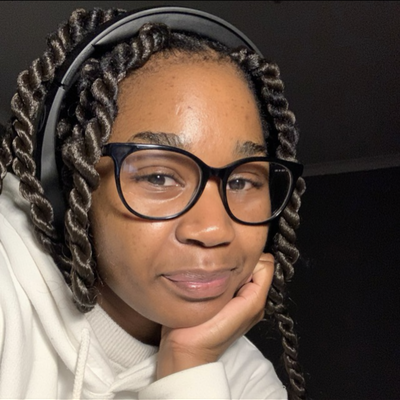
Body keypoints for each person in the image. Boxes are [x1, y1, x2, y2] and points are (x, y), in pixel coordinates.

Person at [0, 6, 307, 400]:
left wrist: (190, 364)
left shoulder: (252, 384)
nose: (214, 229)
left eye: (243, 181)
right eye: (159, 176)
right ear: (73, 186)